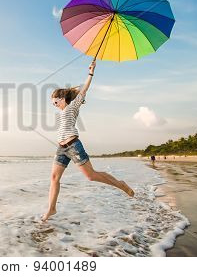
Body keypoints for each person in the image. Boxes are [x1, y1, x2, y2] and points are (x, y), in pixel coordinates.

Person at [41, 60, 135, 222]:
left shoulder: (72, 107)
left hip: (73, 146)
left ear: (62, 98)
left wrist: (91, 72)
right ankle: (52, 209)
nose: (53, 104)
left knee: (91, 176)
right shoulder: (63, 111)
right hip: (61, 148)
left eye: (55, 100)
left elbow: (84, 90)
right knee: (54, 178)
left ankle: (120, 184)